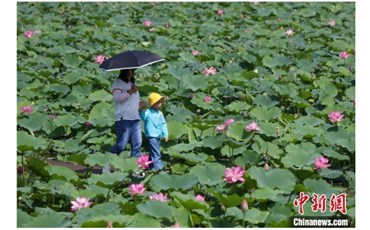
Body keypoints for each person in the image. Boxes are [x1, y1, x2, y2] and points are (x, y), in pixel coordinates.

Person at [103, 69, 142, 173]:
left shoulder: (132, 83)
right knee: (121, 145)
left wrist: (141, 104)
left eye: (133, 70)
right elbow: (117, 98)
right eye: (130, 70)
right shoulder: (118, 83)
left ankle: (136, 169)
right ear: (125, 71)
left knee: (137, 145)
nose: (132, 72)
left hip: (135, 118)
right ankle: (107, 162)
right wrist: (130, 92)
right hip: (123, 118)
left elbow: (133, 101)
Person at [139, 92, 169, 172]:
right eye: (158, 103)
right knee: (156, 152)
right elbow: (142, 116)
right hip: (151, 136)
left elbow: (163, 124)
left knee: (154, 152)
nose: (160, 104)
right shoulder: (147, 112)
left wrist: (165, 134)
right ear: (153, 104)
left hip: (158, 135)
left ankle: (150, 166)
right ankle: (159, 168)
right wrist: (141, 108)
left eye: (160, 102)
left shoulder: (160, 114)